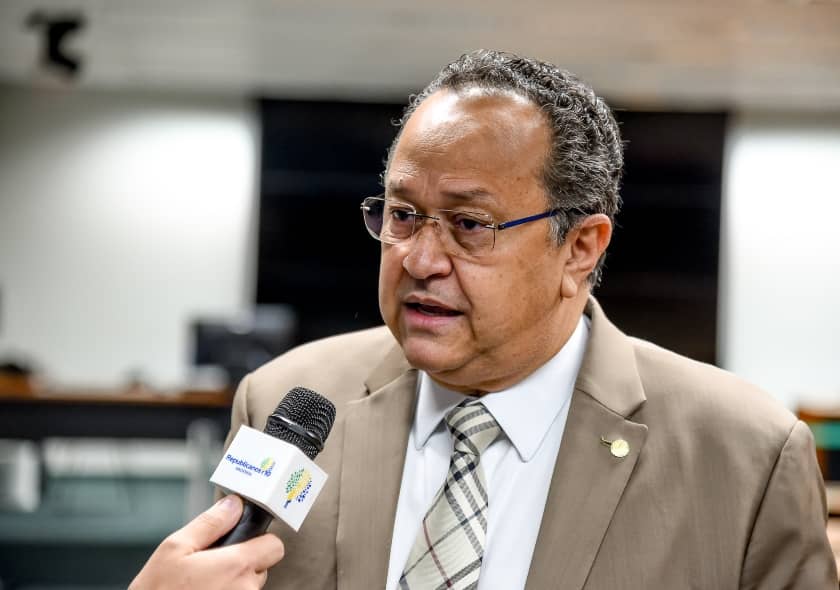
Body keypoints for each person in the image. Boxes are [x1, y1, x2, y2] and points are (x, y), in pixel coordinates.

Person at [132, 49, 837, 589]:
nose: (418, 259)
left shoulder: (745, 455)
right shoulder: (286, 400)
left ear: (580, 248)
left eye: (470, 224)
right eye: (403, 214)